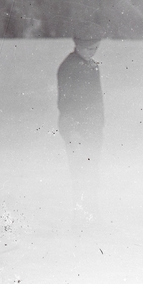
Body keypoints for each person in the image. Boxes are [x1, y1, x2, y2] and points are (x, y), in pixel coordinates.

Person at [57, 29, 105, 219]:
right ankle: (80, 213)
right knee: (79, 171)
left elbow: (97, 98)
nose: (91, 52)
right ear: (77, 45)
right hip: (75, 127)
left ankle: (92, 212)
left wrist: (100, 122)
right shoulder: (68, 67)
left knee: (92, 170)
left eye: (95, 48)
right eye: (87, 48)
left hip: (92, 126)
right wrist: (73, 129)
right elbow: (65, 102)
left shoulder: (92, 65)